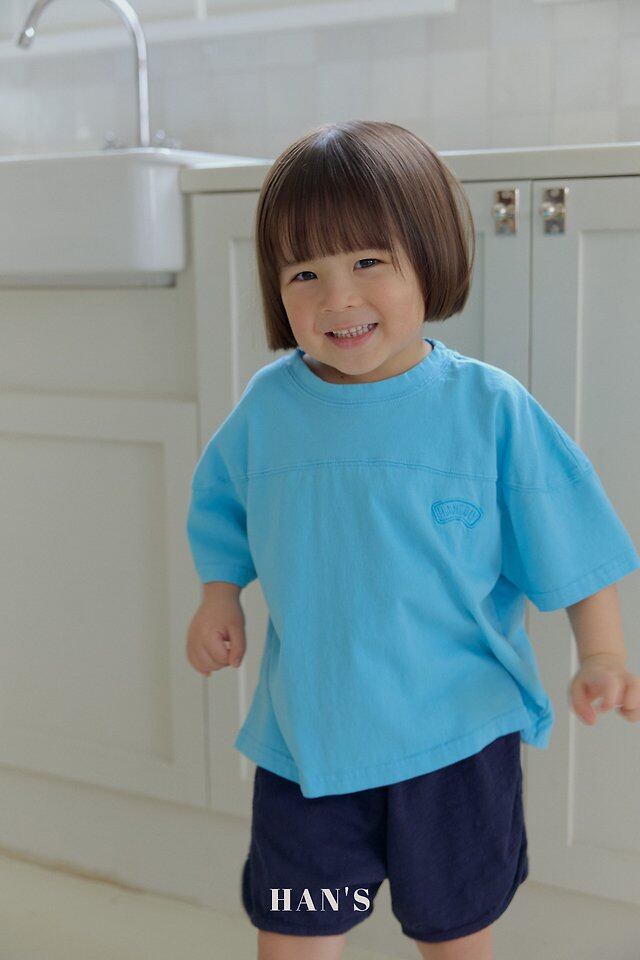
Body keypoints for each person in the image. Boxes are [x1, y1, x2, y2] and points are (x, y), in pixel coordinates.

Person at [184, 120, 640, 960]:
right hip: (309, 739)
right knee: (294, 930)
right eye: (304, 273)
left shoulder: (488, 409)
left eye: (367, 262)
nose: (337, 298)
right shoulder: (269, 410)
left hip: (454, 741)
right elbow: (223, 505)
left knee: (453, 935)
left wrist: (603, 653)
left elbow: (571, 534)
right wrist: (221, 593)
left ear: (430, 259)